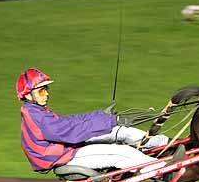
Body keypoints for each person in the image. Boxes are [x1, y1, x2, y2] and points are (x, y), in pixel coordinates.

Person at [17, 67, 169, 172]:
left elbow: (71, 121)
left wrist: (101, 115)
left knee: (120, 131)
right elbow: (70, 132)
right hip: (65, 157)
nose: (47, 94)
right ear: (28, 95)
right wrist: (110, 121)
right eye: (41, 91)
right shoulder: (36, 115)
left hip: (67, 150)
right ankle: (164, 170)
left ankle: (166, 143)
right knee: (123, 152)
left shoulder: (36, 111)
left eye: (47, 89)